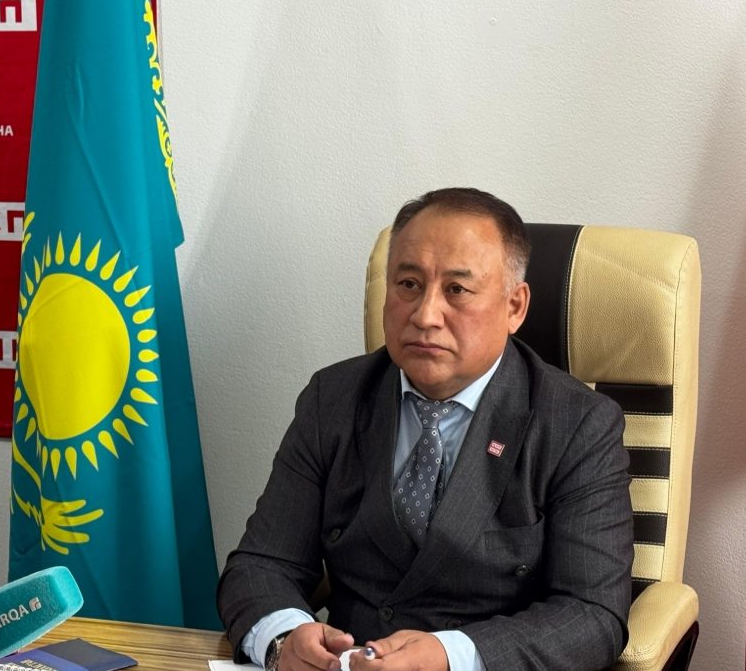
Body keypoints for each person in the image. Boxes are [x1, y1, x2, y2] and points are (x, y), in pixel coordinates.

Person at [217, 187, 634, 671]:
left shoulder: (578, 423)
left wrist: (450, 655)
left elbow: (592, 614)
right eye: (408, 284)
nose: (424, 315)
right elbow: (262, 564)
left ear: (515, 307)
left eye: (457, 290)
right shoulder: (332, 398)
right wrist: (283, 640)